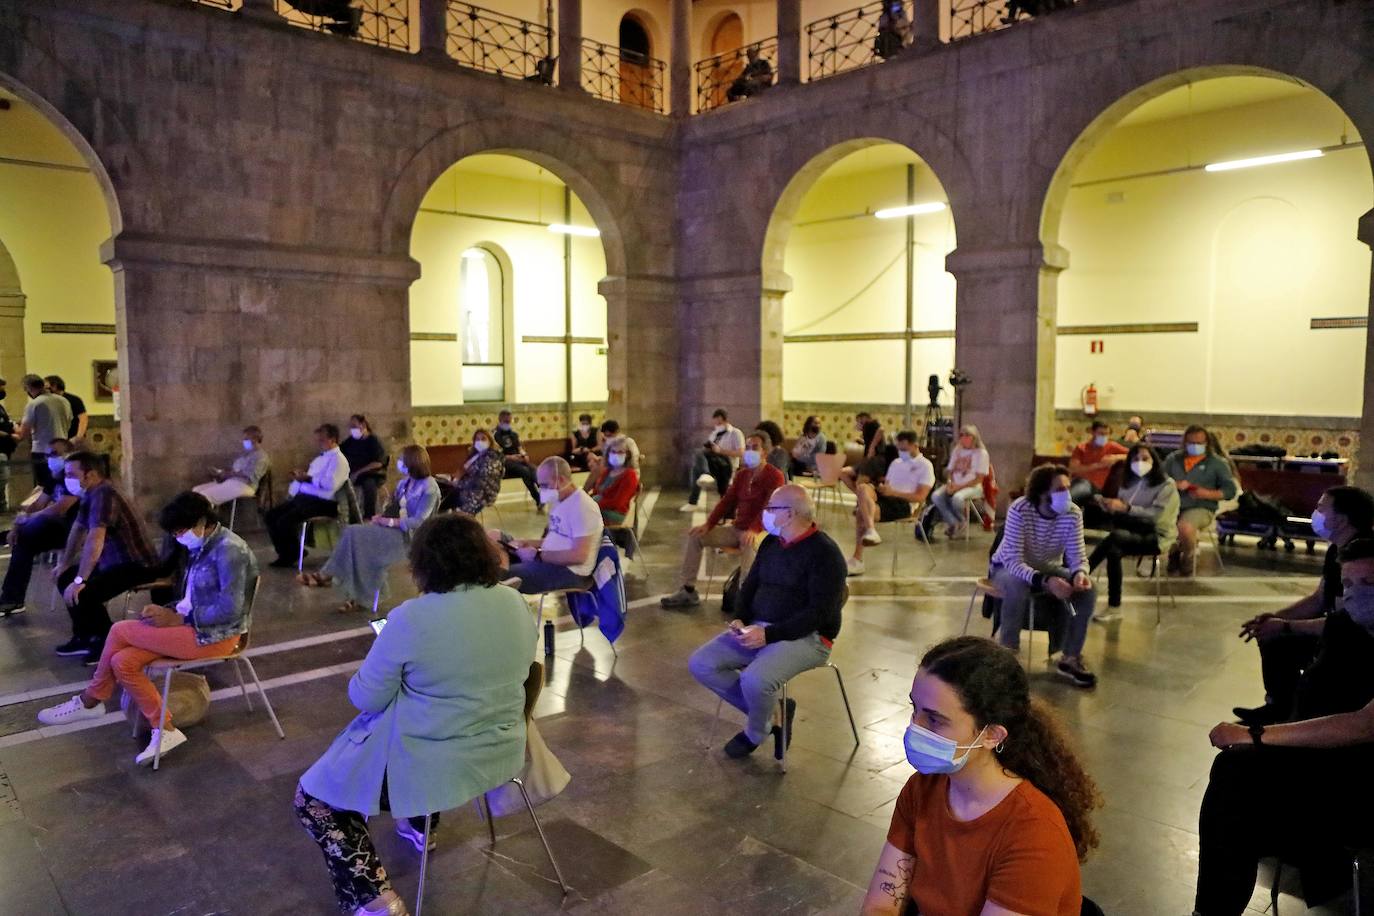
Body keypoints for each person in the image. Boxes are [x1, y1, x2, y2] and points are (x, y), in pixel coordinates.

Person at [295, 514, 534, 916]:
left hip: (434, 765)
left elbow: (366, 697)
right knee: (437, 716)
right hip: (500, 750)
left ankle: (376, 901)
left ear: (423, 564)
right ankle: (421, 824)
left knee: (314, 801)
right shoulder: (514, 602)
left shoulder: (411, 618)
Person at [1194, 539, 1374, 914]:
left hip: (1362, 778)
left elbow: (1362, 726)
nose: (1354, 594)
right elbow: (1328, 624)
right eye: (1348, 584)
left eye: (1368, 584)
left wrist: (1257, 735)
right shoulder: (1354, 626)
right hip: (1328, 760)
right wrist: (1284, 625)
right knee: (1237, 782)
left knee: (1237, 780)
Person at [861, 636, 1099, 915]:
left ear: (992, 735)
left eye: (935, 720)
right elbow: (881, 904)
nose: (915, 727)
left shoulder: (1034, 833)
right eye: (915, 709)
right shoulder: (923, 787)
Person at [36, 491, 258, 766]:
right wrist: (169, 611)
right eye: (174, 533)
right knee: (122, 661)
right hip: (193, 626)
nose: (178, 537)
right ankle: (165, 729)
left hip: (218, 635)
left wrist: (179, 619)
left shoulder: (230, 551)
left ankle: (91, 700)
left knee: (120, 630)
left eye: (180, 531)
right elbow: (192, 597)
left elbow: (231, 610)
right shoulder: (201, 546)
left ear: (202, 522)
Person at [687, 484, 847, 758]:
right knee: (701, 663)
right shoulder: (772, 543)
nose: (766, 513)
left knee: (755, 680)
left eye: (771, 508)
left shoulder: (826, 554)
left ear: (790, 513)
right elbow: (750, 586)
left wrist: (769, 635)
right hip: (760, 627)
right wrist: (740, 618)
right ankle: (776, 712)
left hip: (808, 637)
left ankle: (755, 732)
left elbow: (818, 613)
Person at [1233, 486, 1374, 726]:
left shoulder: (1362, 557)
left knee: (1310, 667)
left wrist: (1286, 626)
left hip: (1354, 639)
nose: (1315, 513)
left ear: (1341, 519)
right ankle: (1279, 707)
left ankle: (1296, 719)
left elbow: (1347, 621)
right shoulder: (1336, 549)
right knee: (1272, 635)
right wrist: (1274, 618)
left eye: (1321, 508)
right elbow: (1319, 599)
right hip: (1337, 630)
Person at [989, 464, 1098, 688]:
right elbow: (1013, 560)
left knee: (1090, 590)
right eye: (1059, 489)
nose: (1066, 493)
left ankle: (1070, 657)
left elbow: (1077, 555)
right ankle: (1007, 655)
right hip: (1007, 567)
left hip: (1048, 566)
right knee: (1016, 584)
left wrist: (1080, 573)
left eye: (1067, 487)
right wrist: (1046, 582)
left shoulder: (1073, 513)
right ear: (1041, 492)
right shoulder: (1020, 509)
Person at [301, 445, 441, 613]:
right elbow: (394, 508)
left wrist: (388, 522)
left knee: (360, 540)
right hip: (392, 529)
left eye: (401, 460)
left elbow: (419, 522)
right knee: (353, 534)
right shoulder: (404, 483)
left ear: (412, 462)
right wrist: (380, 517)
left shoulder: (430, 488)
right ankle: (344, 587)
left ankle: (328, 576)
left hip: (411, 537)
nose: (398, 463)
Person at [55, 451, 160, 664]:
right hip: (114, 562)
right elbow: (78, 529)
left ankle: (107, 642)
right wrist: (64, 565)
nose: (67, 479)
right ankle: (84, 636)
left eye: (71, 474)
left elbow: (95, 538)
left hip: (137, 564)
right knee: (65, 578)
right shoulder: (90, 494)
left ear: (91, 475)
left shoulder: (105, 494)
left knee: (86, 592)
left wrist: (81, 579)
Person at [662, 433, 785, 610]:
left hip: (760, 531)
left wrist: (753, 529)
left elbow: (769, 508)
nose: (749, 451)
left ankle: (745, 600)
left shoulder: (775, 476)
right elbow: (727, 501)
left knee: (749, 545)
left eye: (755, 447)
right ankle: (688, 590)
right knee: (696, 537)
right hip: (737, 528)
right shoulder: (742, 475)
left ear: (765, 452)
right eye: (747, 447)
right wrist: (708, 525)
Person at [1084, 444, 1180, 620]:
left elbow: (1156, 516)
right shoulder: (1128, 483)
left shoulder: (1167, 485)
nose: (1140, 462)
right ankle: (1114, 607)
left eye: (1145, 458)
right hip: (1129, 530)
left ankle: (1080, 574)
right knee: (1113, 550)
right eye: (1135, 459)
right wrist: (1109, 506)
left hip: (1156, 535)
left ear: (1154, 461)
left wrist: (1127, 508)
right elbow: (1123, 511)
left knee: (1114, 538)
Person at [494, 456, 604, 594]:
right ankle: (503, 574)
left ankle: (503, 585)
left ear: (561, 480)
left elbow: (579, 556)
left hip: (570, 572)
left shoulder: (583, 507)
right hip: (548, 560)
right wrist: (526, 542)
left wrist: (538, 555)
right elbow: (557, 538)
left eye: (545, 485)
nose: (542, 490)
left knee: (499, 575)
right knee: (495, 539)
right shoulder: (559, 500)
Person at [0, 438, 78, 617]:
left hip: (73, 530)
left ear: (68, 455)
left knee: (33, 528)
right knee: (23, 541)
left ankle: (11, 599)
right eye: (48, 454)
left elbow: (61, 508)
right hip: (50, 529)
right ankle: (12, 599)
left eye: (55, 454)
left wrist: (29, 519)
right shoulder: (54, 478)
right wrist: (17, 525)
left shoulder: (73, 477)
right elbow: (38, 504)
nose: (50, 458)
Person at [848, 431, 934, 576]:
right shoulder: (896, 463)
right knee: (862, 488)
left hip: (904, 503)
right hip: (887, 496)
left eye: (904, 449)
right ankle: (871, 530)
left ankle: (858, 559)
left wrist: (893, 493)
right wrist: (883, 488)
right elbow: (888, 485)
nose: (901, 452)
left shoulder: (925, 466)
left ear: (915, 446)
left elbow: (920, 497)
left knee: (861, 512)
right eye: (899, 449)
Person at [264, 424, 349, 568]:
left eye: (322, 440)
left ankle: (291, 554)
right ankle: (288, 552)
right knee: (271, 516)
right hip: (307, 499)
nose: (319, 443)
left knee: (284, 520)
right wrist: (300, 477)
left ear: (333, 439)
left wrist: (308, 478)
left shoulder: (339, 460)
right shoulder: (320, 459)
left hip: (324, 503)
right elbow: (311, 477)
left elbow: (330, 484)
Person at [1163, 424, 1238, 577]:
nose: (1195, 446)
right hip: (1173, 505)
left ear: (1206, 443)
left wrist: (1207, 493)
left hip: (1201, 506)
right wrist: (1173, 484)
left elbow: (1230, 490)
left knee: (1185, 527)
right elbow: (1158, 480)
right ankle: (1174, 551)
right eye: (1191, 443)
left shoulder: (1217, 463)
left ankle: (1188, 556)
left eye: (1199, 443)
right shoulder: (1173, 459)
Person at [928, 424, 989, 538]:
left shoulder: (981, 453)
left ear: (974, 438)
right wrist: (950, 483)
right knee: (936, 496)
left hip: (973, 486)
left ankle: (960, 521)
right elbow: (950, 471)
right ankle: (954, 522)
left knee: (957, 498)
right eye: (961, 435)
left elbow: (979, 478)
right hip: (955, 484)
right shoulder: (957, 450)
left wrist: (958, 488)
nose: (964, 438)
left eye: (967, 435)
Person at [14, 373, 72, 490]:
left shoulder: (34, 404)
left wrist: (14, 427)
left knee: (45, 487)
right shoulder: (64, 400)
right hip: (63, 450)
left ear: (28, 388)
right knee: (61, 485)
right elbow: (69, 422)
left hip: (42, 451)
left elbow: (24, 432)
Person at [679, 408, 744, 511]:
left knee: (699, 462)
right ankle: (693, 501)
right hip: (714, 463)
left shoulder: (735, 433)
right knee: (697, 464)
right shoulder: (714, 434)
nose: (716, 425)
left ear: (723, 419)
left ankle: (706, 474)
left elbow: (741, 453)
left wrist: (720, 451)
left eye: (718, 422)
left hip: (727, 464)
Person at [192, 425, 271, 507]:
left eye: (246, 439)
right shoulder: (246, 454)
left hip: (245, 485)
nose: (243, 441)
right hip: (232, 481)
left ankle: (206, 514)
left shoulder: (261, 457)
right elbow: (235, 469)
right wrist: (221, 472)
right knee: (196, 491)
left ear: (255, 439)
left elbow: (249, 474)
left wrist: (228, 474)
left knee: (204, 496)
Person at [1068, 419, 1128, 526]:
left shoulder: (1112, 446)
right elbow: (1073, 469)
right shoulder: (1081, 448)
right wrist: (1099, 465)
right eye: (1101, 433)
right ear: (1092, 432)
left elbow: (1133, 454)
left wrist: (1116, 457)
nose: (1104, 436)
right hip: (1077, 481)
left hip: (1095, 486)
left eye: (1106, 434)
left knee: (1075, 495)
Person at [441, 428, 505, 516]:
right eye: (477, 439)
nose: (480, 442)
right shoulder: (476, 455)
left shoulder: (492, 458)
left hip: (478, 494)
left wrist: (459, 484)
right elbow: (465, 472)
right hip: (465, 489)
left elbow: (482, 482)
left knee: (450, 508)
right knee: (442, 500)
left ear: (490, 441)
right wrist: (455, 479)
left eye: (483, 439)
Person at [493, 409, 541, 511]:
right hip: (504, 462)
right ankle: (538, 498)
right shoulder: (495, 435)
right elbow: (495, 454)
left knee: (533, 468)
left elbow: (519, 448)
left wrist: (524, 455)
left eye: (509, 421)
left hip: (517, 460)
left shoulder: (513, 434)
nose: (508, 424)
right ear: (500, 420)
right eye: (506, 422)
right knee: (525, 471)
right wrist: (511, 457)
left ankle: (541, 490)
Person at [341, 414, 386, 519]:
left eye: (354, 426)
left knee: (369, 485)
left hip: (371, 474)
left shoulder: (373, 441)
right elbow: (340, 451)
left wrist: (358, 473)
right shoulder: (351, 441)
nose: (352, 429)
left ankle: (369, 516)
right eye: (350, 427)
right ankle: (350, 516)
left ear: (363, 425)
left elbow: (378, 463)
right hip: (353, 474)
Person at [587, 436, 640, 526]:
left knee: (583, 516)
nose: (616, 455)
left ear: (627, 455)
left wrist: (594, 505)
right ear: (608, 454)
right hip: (601, 507)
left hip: (615, 512)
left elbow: (618, 502)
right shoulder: (607, 471)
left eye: (620, 452)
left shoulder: (630, 475)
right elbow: (597, 491)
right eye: (613, 452)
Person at [44, 375, 88, 441]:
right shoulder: (47, 401)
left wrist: (78, 437)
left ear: (55, 386)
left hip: (72, 438)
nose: (45, 390)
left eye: (46, 387)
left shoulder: (74, 400)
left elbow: (83, 419)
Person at [0, 377, 16, 512]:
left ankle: (2, 506)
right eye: (1, 387)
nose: (3, 391)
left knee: (3, 479)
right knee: (2, 478)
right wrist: (9, 435)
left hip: (5, 449)